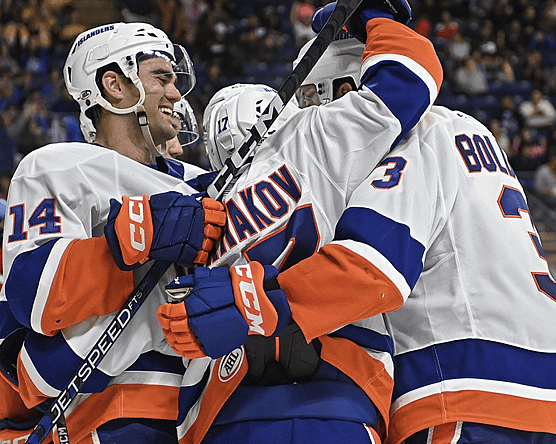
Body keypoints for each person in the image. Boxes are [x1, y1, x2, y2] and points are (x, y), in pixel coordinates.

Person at [160, 8, 556, 444]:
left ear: (348, 87)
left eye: (314, 98)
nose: (312, 117)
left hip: (471, 380)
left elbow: (373, 269)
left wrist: (255, 303)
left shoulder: (410, 138)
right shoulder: (472, 128)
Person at [157, 1, 443, 442]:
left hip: (223, 402)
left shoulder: (196, 196)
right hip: (337, 391)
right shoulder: (315, 136)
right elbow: (411, 78)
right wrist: (375, 16)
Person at [0, 22, 226, 444]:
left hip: (201, 414)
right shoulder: (58, 167)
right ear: (114, 85)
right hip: (100, 419)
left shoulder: (201, 184)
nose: (176, 93)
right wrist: (135, 240)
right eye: (161, 78)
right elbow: (34, 292)